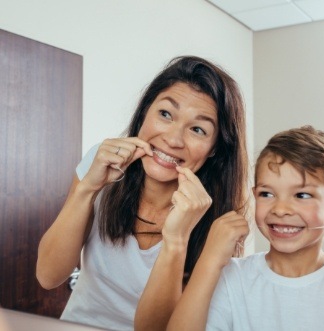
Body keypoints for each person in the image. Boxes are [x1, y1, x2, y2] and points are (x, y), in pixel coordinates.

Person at [36, 55, 250, 331]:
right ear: (144, 112)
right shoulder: (101, 162)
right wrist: (88, 188)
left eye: (197, 129)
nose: (173, 140)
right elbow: (48, 275)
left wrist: (176, 240)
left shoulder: (220, 223)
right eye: (165, 114)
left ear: (215, 150)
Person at [167, 125, 324, 331]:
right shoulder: (232, 277)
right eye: (267, 194)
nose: (280, 209)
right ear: (254, 196)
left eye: (302, 195)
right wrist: (209, 260)